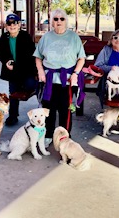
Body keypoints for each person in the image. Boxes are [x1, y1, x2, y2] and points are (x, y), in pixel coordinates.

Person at [33, 8, 86, 147]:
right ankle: (48, 134)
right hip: (49, 79)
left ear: (66, 21)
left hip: (67, 79)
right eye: (55, 19)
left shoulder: (74, 37)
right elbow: (38, 57)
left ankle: (65, 136)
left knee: (65, 109)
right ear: (51, 22)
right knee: (48, 108)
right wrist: (41, 72)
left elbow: (81, 58)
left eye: (61, 19)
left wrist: (75, 74)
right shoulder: (46, 37)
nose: (59, 21)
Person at [0, 13, 37, 126]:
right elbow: (0, 51)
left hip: (26, 70)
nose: (12, 26)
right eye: (9, 24)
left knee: (31, 86)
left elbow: (30, 55)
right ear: (6, 25)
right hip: (12, 72)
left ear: (19, 25)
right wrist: (7, 61)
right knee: (13, 93)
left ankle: (43, 110)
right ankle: (13, 116)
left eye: (15, 23)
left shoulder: (25, 36)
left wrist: (17, 65)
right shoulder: (4, 37)